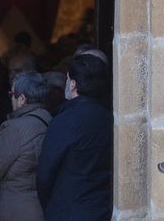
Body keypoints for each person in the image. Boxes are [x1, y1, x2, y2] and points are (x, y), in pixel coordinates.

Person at [37, 54, 112, 220]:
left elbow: (45, 174)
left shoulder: (64, 121)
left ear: (72, 84)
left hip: (68, 210)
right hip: (102, 208)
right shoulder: (112, 119)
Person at [0, 72, 52, 221]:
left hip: (10, 211)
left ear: (22, 99)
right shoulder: (48, 121)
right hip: (37, 208)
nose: (10, 98)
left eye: (11, 94)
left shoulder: (13, 129)